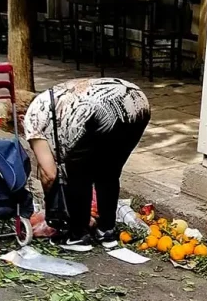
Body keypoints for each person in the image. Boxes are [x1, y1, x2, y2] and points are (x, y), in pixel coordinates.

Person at [24, 78, 151, 251]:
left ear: (20, 115)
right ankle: (107, 231)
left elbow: (50, 173)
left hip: (96, 111)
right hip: (137, 102)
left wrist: (50, 201)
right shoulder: (51, 99)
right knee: (109, 171)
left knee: (78, 174)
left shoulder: (32, 117)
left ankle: (78, 236)